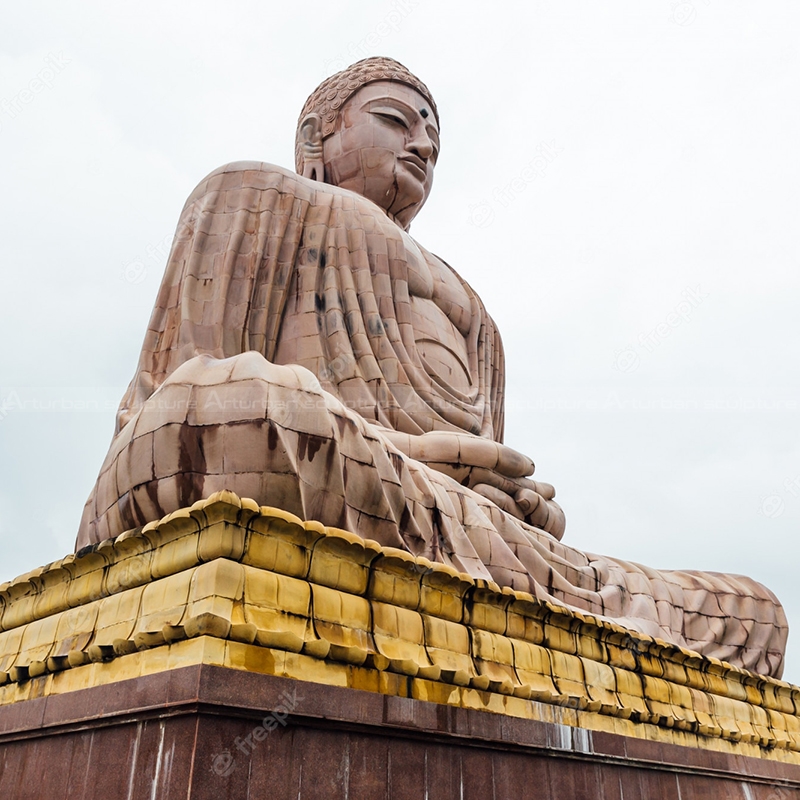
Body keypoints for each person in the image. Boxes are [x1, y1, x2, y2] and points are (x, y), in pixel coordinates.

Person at [76, 57, 787, 678]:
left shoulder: (472, 306)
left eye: (434, 142)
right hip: (318, 467)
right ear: (315, 136)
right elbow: (176, 394)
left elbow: (487, 486)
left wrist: (526, 510)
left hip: (447, 526)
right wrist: (402, 455)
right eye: (396, 120)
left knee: (750, 612)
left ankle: (542, 608)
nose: (420, 144)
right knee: (234, 411)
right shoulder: (254, 195)